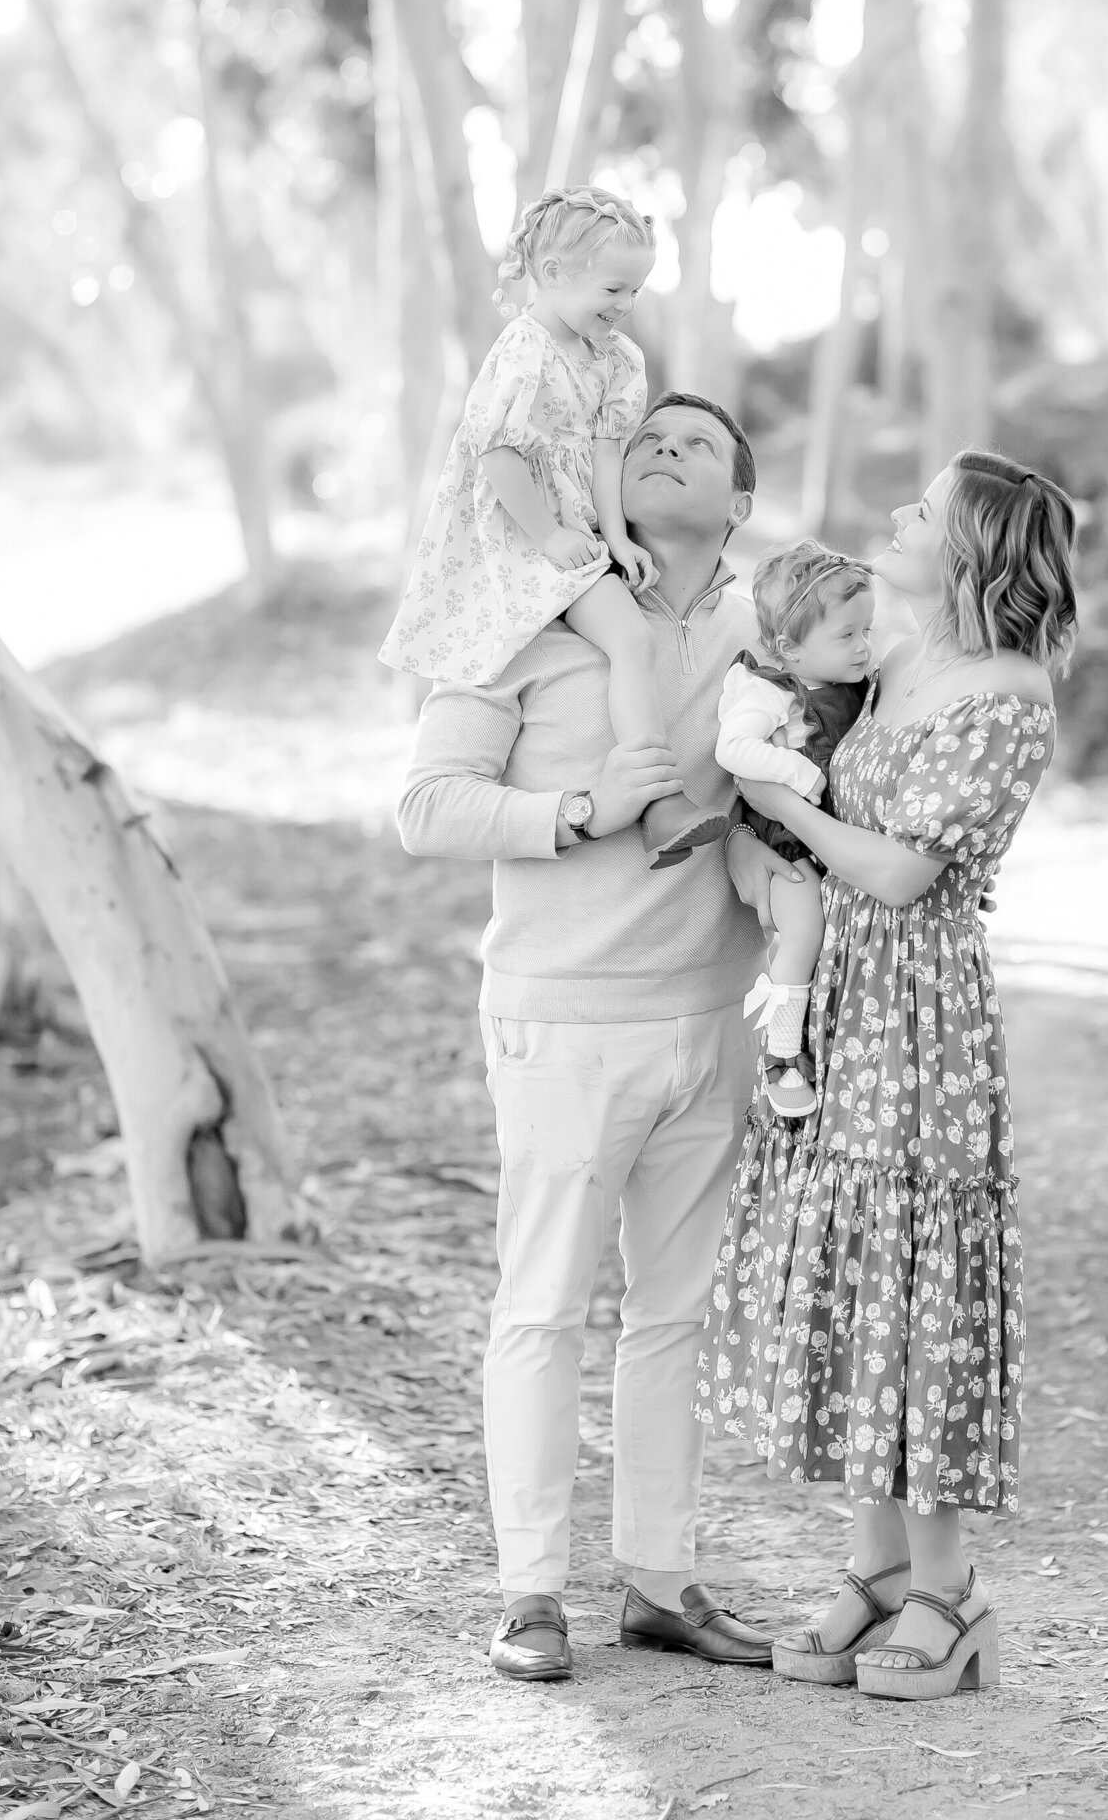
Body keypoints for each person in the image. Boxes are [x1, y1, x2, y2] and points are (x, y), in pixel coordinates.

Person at [396, 391, 800, 1684]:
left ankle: (660, 1584)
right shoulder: (529, 615)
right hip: (564, 1021)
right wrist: (572, 808)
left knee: (673, 1317)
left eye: (698, 445)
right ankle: (527, 1597)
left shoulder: (765, 637)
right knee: (543, 1309)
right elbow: (425, 806)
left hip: (711, 1023)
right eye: (647, 440)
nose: (664, 448)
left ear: (737, 505)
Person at [698, 450, 1077, 1703]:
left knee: (916, 1286)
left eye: (922, 511)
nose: (897, 519)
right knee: (851, 1271)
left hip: (921, 1021)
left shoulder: (1010, 695)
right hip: (843, 1001)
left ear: (968, 548)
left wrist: (785, 813)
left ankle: (946, 1592)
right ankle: (869, 1570)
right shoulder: (897, 656)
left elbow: (905, 873)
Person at [380, 185, 727, 870]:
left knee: (627, 633)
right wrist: (548, 537)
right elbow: (499, 456)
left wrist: (615, 536)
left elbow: (605, 453)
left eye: (634, 292)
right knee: (628, 634)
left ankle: (657, 801)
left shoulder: (617, 360)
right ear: (554, 273)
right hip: (520, 530)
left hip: (574, 528)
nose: (624, 307)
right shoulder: (524, 352)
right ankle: (659, 799)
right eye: (613, 289)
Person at [715, 541, 875, 1118]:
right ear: (788, 648)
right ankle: (783, 1052)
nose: (863, 646)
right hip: (786, 845)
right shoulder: (770, 690)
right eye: (847, 636)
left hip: (837, 841)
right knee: (804, 929)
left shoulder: (857, 686)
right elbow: (732, 748)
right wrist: (796, 772)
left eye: (867, 631)